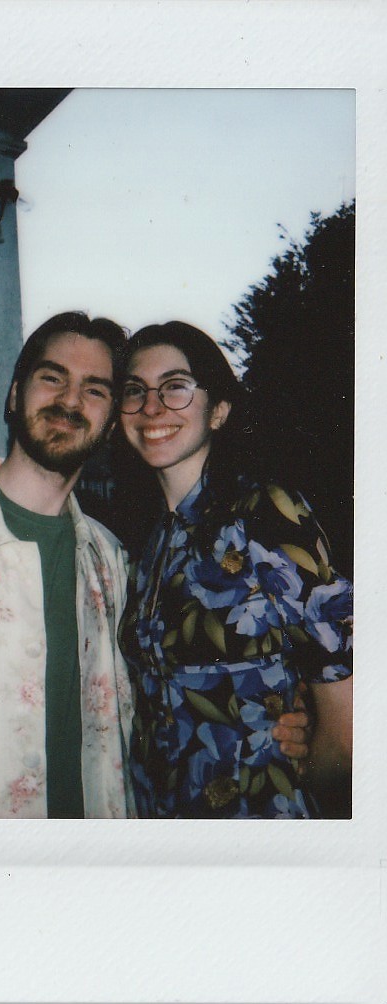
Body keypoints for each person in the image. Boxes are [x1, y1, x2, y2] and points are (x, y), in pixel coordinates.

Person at [0, 311, 310, 819]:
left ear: (113, 420)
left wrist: (293, 715)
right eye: (52, 377)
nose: (70, 401)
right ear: (14, 395)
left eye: (95, 389)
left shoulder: (112, 561)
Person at [116, 321, 352, 819]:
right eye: (135, 391)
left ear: (219, 411)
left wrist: (306, 775)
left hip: (254, 820)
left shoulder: (266, 512)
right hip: (160, 819)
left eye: (175, 387)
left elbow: (349, 705)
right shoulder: (150, 539)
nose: (152, 407)